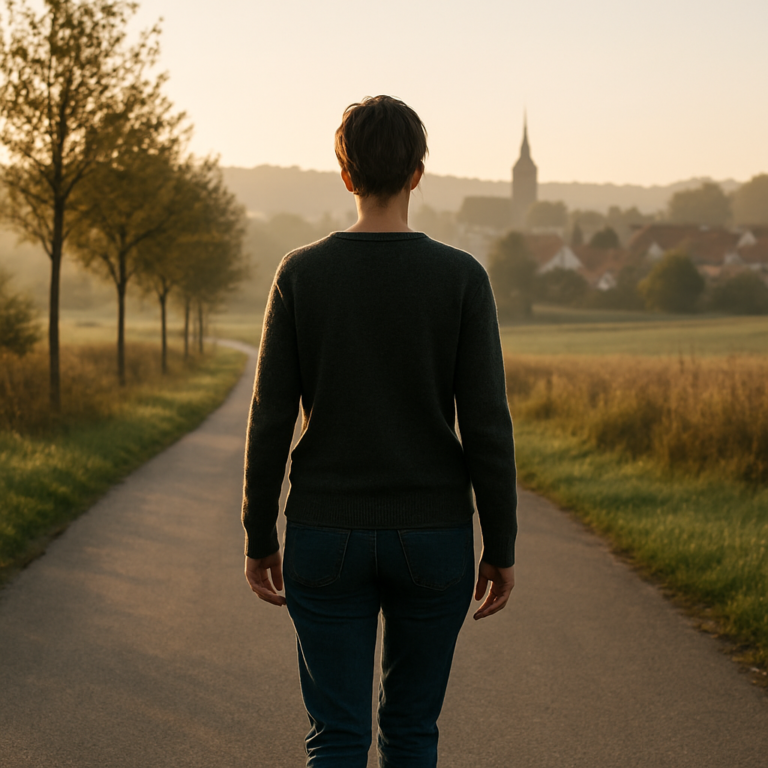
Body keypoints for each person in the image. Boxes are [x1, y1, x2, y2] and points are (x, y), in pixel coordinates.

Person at [242, 95, 517, 768]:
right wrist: (500, 545)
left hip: (323, 532)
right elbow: (486, 424)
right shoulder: (461, 277)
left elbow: (271, 415)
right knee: (412, 732)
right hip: (434, 537)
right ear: (418, 173)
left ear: (345, 174)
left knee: (335, 737)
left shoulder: (301, 273)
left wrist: (258, 534)